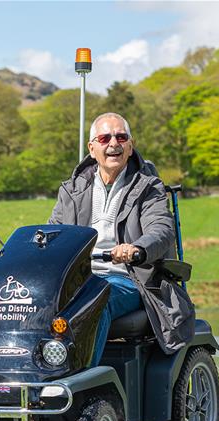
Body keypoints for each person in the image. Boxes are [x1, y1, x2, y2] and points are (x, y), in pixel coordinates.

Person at [48, 112, 195, 366]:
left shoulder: (149, 187)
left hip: (130, 279)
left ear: (130, 145)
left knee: (96, 299)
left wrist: (137, 248)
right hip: (78, 280)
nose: (113, 143)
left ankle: (82, 380)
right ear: (92, 148)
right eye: (104, 138)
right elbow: (52, 233)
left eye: (121, 137)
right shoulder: (71, 190)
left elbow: (161, 228)